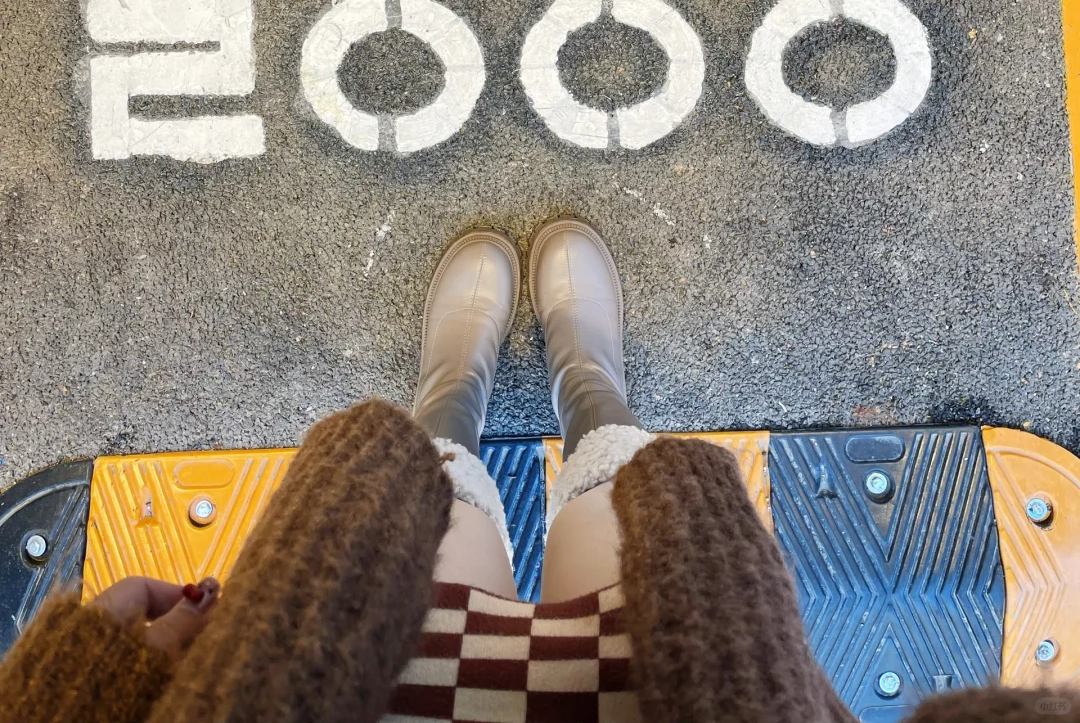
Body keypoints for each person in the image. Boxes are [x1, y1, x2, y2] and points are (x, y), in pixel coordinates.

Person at [0, 219, 1073, 723]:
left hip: (343, 693)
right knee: (627, 492)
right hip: (674, 697)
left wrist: (86, 696)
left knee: (425, 490)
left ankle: (461, 383)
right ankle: (581, 375)